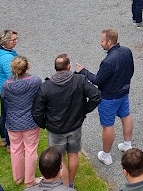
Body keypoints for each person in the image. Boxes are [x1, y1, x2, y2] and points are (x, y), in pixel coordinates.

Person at [32, 54, 101, 188]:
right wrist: (84, 110)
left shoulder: (46, 87)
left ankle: (62, 186)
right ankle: (70, 184)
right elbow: (96, 95)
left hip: (56, 129)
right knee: (73, 154)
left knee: (58, 159)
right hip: (75, 127)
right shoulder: (79, 80)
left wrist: (44, 124)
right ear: (68, 67)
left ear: (56, 68)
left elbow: (37, 111)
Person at [76, 30, 135, 167]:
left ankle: (106, 155)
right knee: (126, 116)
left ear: (109, 42)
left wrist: (83, 71)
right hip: (124, 92)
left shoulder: (108, 61)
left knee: (108, 125)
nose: (100, 43)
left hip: (109, 97)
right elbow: (131, 70)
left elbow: (98, 80)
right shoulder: (127, 51)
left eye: (102, 41)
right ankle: (127, 144)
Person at [1, 56, 42, 186]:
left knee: (15, 149)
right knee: (30, 150)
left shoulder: (6, 85)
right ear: (27, 66)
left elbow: (3, 98)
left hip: (13, 122)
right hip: (30, 122)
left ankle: (18, 178)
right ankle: (29, 180)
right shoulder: (35, 81)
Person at [0, 30, 19, 148]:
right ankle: (9, 143)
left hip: (0, 86)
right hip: (8, 90)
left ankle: (3, 139)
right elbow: (12, 77)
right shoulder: (7, 58)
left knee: (4, 114)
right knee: (9, 116)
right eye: (14, 40)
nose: (16, 42)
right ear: (6, 41)